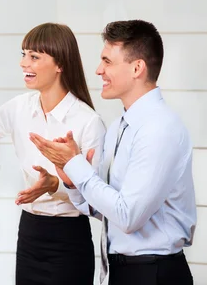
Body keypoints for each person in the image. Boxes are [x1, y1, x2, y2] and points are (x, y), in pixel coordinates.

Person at [30, 20, 196, 285]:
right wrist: (72, 182)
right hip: (121, 271)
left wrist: (75, 165)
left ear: (137, 68)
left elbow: (127, 216)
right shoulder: (121, 125)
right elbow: (104, 209)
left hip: (153, 272)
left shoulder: (159, 129)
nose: (98, 70)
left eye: (107, 61)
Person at [0, 23, 105, 284]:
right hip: (30, 233)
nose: (24, 63)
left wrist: (56, 185)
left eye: (34, 57)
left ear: (60, 64)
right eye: (23, 54)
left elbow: (98, 201)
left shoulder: (88, 122)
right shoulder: (19, 108)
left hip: (69, 239)